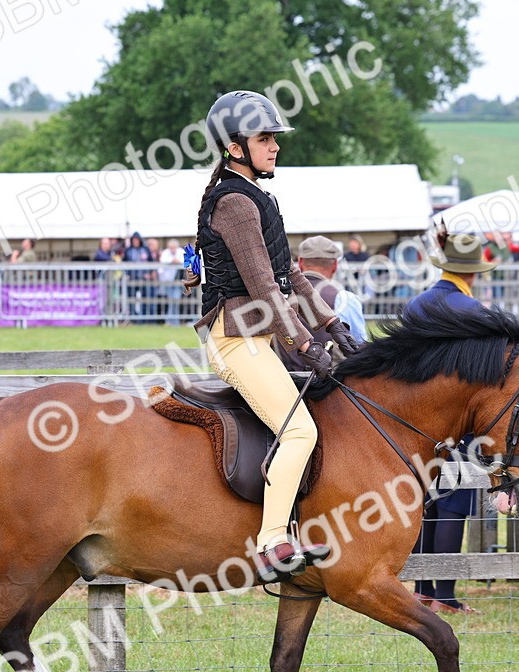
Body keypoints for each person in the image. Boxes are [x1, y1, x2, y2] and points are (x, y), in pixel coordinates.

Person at [193, 90, 360, 580]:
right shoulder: (235, 203)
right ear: (234, 147)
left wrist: (332, 325)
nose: (275, 147)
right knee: (300, 430)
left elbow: (289, 274)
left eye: (273, 138)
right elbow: (265, 288)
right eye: (265, 138)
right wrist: (306, 344)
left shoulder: (257, 198)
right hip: (236, 340)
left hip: (258, 338)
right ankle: (270, 543)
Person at [406, 230, 495, 615]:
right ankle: (445, 594)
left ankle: (423, 588)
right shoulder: (474, 311)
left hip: (415, 415)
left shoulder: (417, 304)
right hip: (458, 416)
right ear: (473, 273)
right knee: (455, 504)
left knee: (427, 500)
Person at [274, 235, 368, 371]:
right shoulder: (345, 298)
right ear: (335, 265)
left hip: (285, 382)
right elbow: (359, 345)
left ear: (299, 262)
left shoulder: (277, 296)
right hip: (330, 385)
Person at [157, 238, 184, 325]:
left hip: (178, 281)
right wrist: (172, 261)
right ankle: (171, 321)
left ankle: (174, 321)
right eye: (171, 247)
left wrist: (178, 262)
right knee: (170, 301)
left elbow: (186, 263)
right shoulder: (165, 253)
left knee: (175, 300)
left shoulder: (181, 252)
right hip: (167, 281)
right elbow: (162, 264)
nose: (172, 249)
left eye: (174, 247)